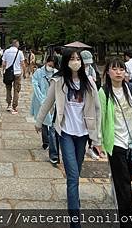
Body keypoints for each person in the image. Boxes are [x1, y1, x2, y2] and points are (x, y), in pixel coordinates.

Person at [35, 49, 102, 228]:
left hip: (83, 134)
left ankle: (74, 199)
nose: (75, 61)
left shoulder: (88, 82)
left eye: (77, 58)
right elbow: (48, 102)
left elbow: (97, 109)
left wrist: (97, 137)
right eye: (72, 58)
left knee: (76, 171)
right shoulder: (58, 81)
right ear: (65, 61)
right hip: (65, 133)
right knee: (72, 176)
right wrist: (39, 121)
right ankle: (75, 221)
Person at [98, 57, 132, 228]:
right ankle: (128, 222)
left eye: (121, 69)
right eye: (114, 69)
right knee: (124, 185)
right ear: (108, 72)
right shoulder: (103, 92)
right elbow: (100, 119)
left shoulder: (131, 89)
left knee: (129, 177)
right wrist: (98, 141)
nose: (119, 72)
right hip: (116, 143)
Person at [30, 56, 59, 164]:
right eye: (49, 65)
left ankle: (53, 152)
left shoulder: (56, 73)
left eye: (53, 66)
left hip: (52, 103)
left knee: (51, 125)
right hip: (40, 100)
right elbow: (35, 85)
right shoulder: (38, 72)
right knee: (42, 122)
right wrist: (42, 99)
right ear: (46, 62)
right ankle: (45, 141)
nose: (51, 67)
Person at [2, 39, 25, 115]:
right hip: (17, 73)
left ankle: (8, 105)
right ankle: (14, 107)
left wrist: (4, 71)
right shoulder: (20, 52)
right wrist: (24, 73)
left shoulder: (6, 51)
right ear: (16, 44)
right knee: (16, 90)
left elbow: (4, 63)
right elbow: (22, 64)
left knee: (8, 89)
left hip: (8, 73)